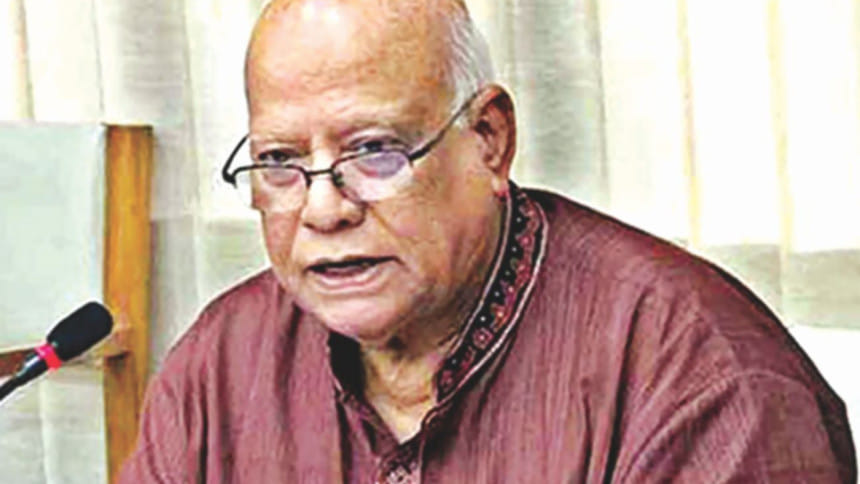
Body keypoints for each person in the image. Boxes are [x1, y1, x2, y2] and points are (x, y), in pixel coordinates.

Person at [119, 0, 856, 482]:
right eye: (280, 162)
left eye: (374, 151)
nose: (323, 208)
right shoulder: (219, 365)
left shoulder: (697, 374)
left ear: (489, 141)